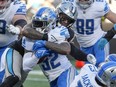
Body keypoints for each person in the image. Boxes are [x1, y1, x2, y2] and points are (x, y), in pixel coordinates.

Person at [23, 2, 96, 87]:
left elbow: (67, 49)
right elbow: (26, 30)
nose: (65, 22)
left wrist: (45, 42)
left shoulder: (63, 31)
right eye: (64, 18)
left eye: (69, 20)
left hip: (63, 72)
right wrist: (46, 37)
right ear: (58, 13)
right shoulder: (44, 19)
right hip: (52, 77)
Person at [62, 0, 116, 67]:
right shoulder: (69, 4)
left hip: (99, 42)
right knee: (89, 71)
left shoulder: (99, 5)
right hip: (84, 46)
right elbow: (61, 23)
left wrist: (108, 37)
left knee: (101, 67)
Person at [0, 0, 27, 85]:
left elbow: (21, 21)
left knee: (5, 79)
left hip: (8, 46)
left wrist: (18, 29)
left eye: (2, 0)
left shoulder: (17, 5)